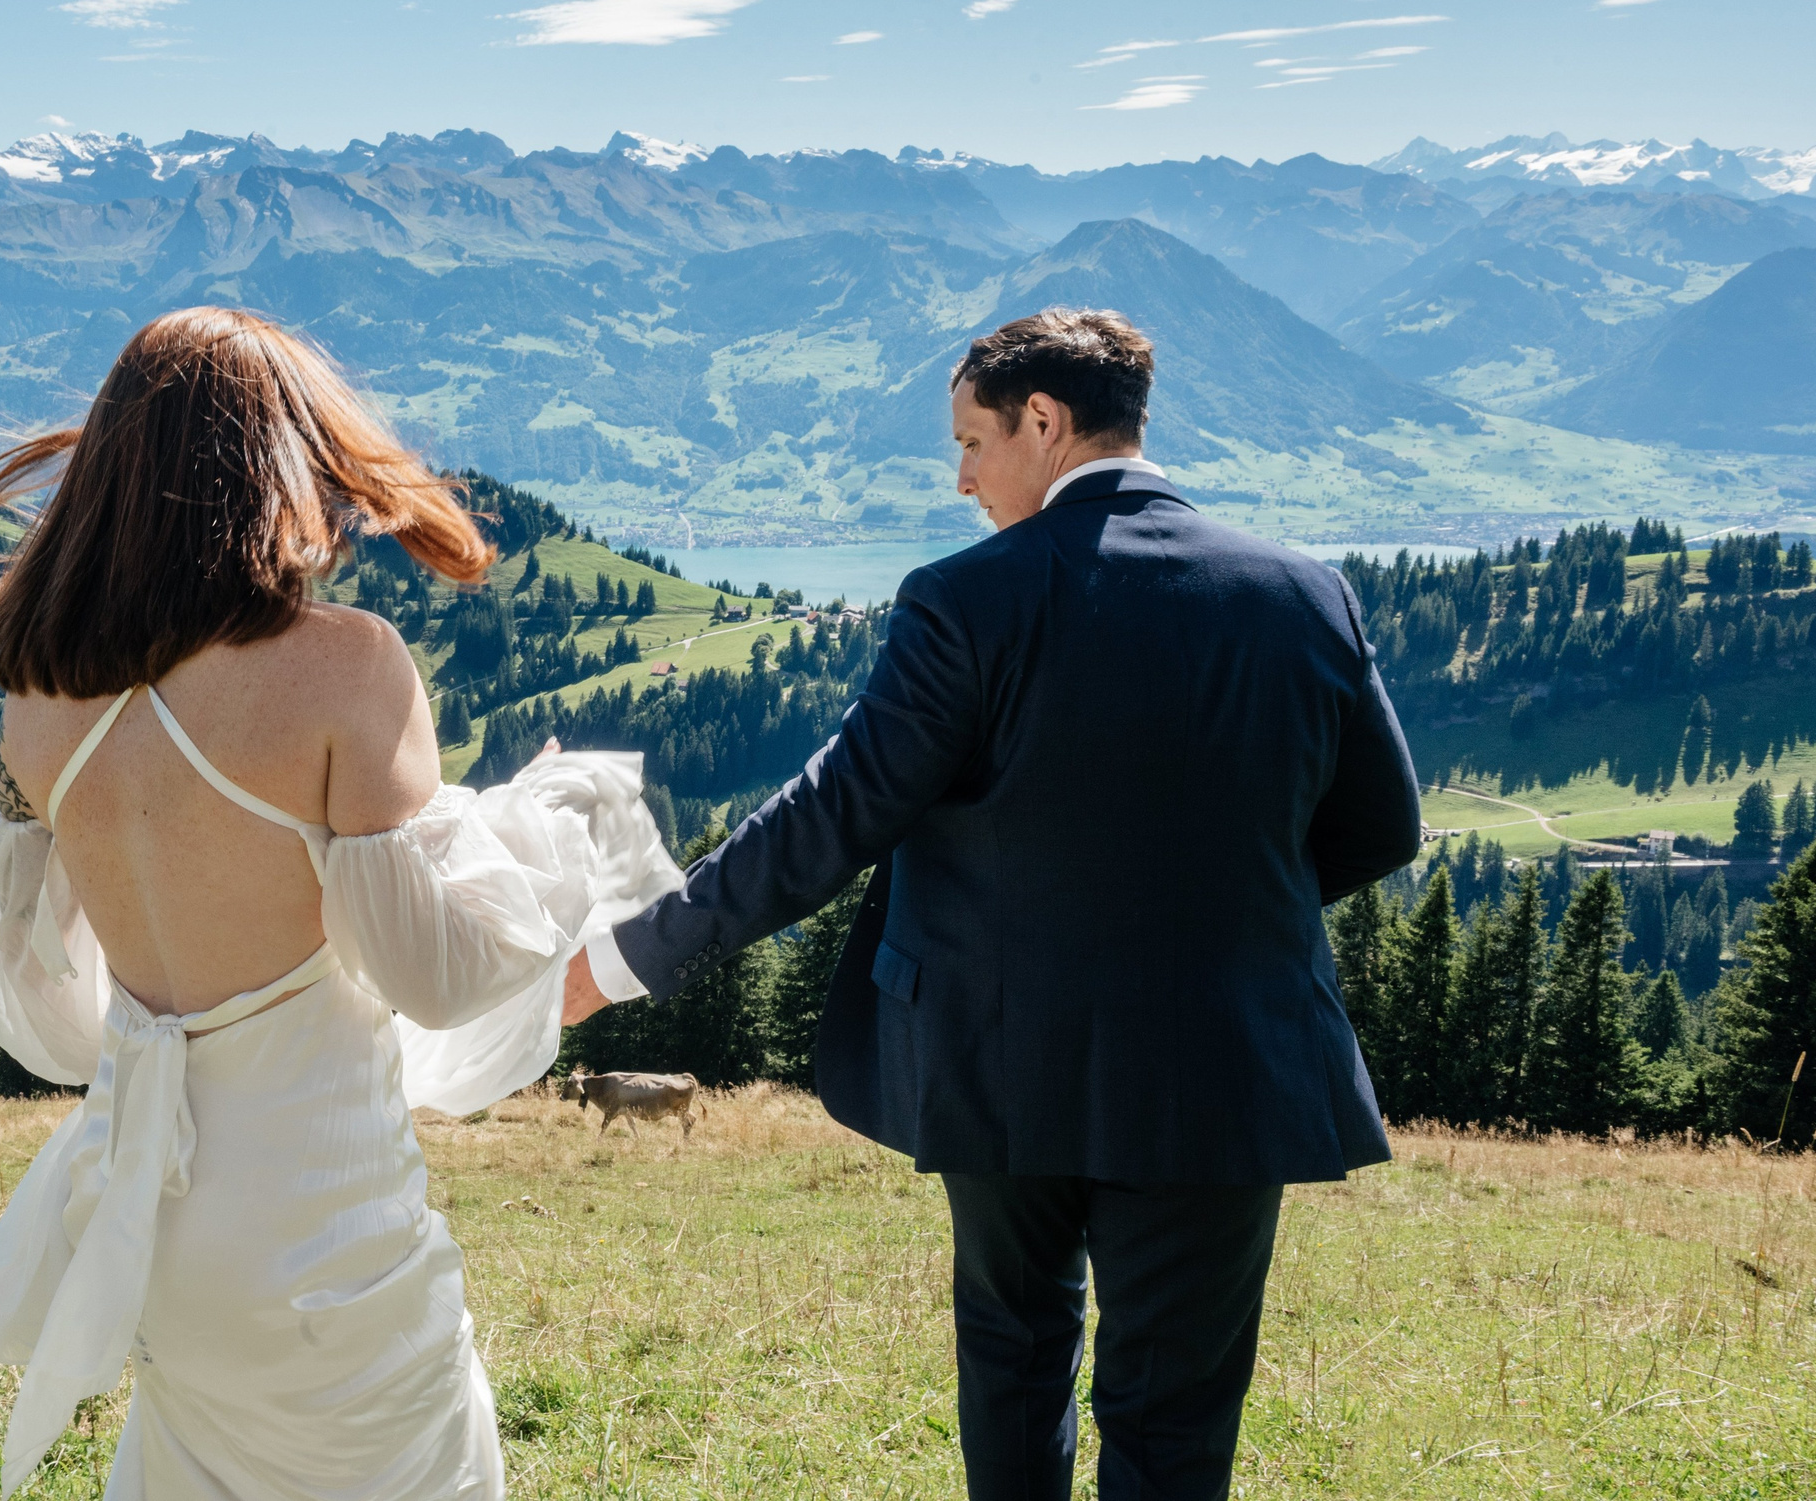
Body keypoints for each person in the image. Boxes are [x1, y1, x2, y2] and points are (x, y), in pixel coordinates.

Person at [564, 307, 1421, 1500]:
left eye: (971, 442)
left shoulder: (967, 602)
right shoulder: (1299, 592)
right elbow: (1385, 826)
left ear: (1044, 421)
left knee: (1015, 1361)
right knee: (1173, 1416)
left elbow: (827, 821)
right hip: (1224, 1059)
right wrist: (1203, 915)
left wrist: (611, 963)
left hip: (1000, 1055)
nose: (962, 478)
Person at [0, 306, 681, 1499]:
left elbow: (44, 1001)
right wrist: (543, 820)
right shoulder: (345, 665)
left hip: (156, 1216)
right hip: (320, 1224)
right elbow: (430, 975)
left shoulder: (37, 703)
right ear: (276, 466)